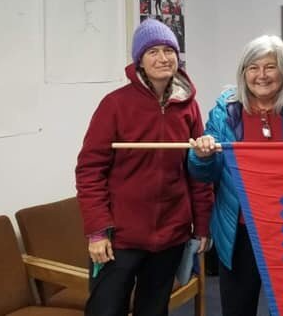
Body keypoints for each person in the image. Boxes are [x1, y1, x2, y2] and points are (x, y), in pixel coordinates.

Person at [76, 18, 213, 316]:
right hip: (120, 238)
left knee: (153, 310)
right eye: (153, 52)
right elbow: (89, 171)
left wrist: (201, 226)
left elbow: (198, 174)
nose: (163, 58)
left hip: (171, 235)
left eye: (168, 50)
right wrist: (97, 232)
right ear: (139, 61)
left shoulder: (188, 106)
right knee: (105, 310)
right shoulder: (114, 105)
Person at [187, 35, 283, 316]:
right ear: (243, 72)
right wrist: (201, 156)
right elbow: (206, 174)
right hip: (239, 230)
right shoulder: (226, 111)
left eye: (270, 67)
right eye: (253, 67)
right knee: (237, 308)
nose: (261, 75)